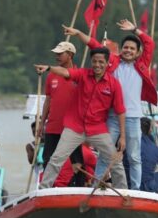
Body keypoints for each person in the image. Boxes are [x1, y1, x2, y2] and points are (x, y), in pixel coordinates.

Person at [64, 19, 156, 190]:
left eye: (132, 49)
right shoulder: (112, 61)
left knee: (134, 157)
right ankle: (97, 185)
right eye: (126, 48)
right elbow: (94, 45)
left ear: (137, 52)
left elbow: (149, 43)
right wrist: (77, 34)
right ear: (121, 50)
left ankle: (135, 190)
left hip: (134, 118)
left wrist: (135, 30)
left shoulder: (142, 65)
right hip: (113, 117)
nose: (128, 51)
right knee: (104, 155)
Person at [35, 46, 128, 190]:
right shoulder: (83, 74)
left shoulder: (114, 84)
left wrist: (122, 136)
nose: (97, 65)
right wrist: (48, 68)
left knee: (116, 161)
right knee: (56, 159)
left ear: (107, 62)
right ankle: (43, 189)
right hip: (75, 127)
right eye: (94, 61)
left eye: (101, 62)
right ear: (91, 61)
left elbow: (120, 111)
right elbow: (66, 72)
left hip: (97, 129)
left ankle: (124, 192)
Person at [38, 41, 79, 170]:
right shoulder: (51, 76)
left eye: (60, 54)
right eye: (56, 54)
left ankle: (77, 186)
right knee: (48, 160)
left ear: (70, 55)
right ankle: (47, 188)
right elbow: (48, 101)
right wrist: (41, 122)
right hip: (53, 126)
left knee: (76, 163)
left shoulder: (79, 75)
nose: (57, 57)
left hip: (72, 128)